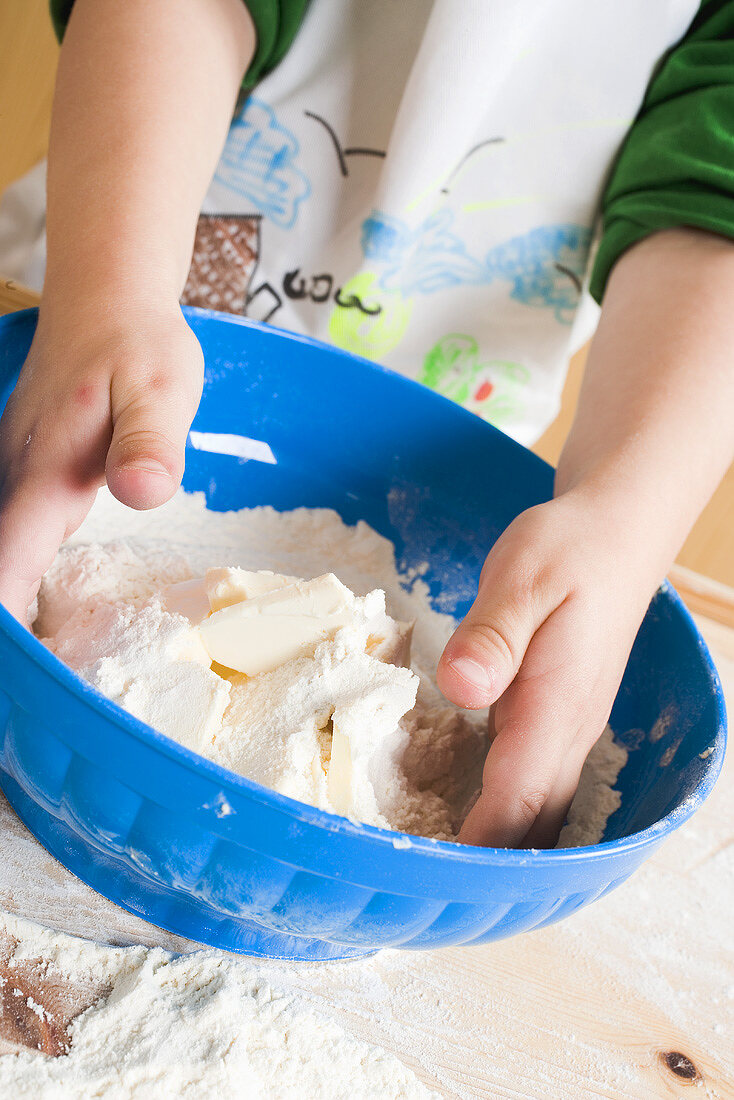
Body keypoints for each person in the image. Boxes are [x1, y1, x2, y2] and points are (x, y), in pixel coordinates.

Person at [0, 0, 733, 849]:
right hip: (110, 304)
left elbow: (711, 192)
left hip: (447, 411)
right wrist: (111, 294)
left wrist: (626, 515)